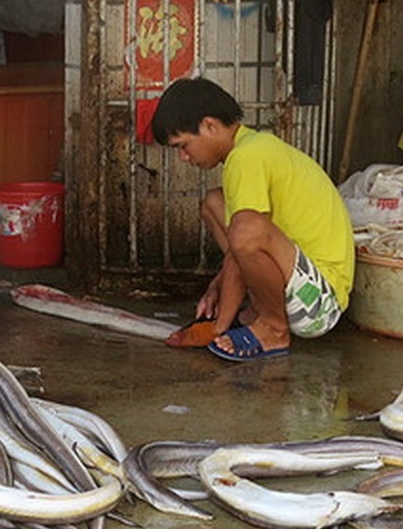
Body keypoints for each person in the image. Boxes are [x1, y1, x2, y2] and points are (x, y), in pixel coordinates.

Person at [150, 77, 354, 361]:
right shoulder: (252, 147)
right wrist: (219, 285)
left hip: (319, 306)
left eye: (183, 145)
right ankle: (258, 314)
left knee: (247, 229)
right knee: (214, 204)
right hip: (308, 287)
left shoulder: (246, 157)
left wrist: (218, 325)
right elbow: (237, 250)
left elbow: (244, 241)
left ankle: (273, 329)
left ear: (210, 125)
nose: (183, 157)